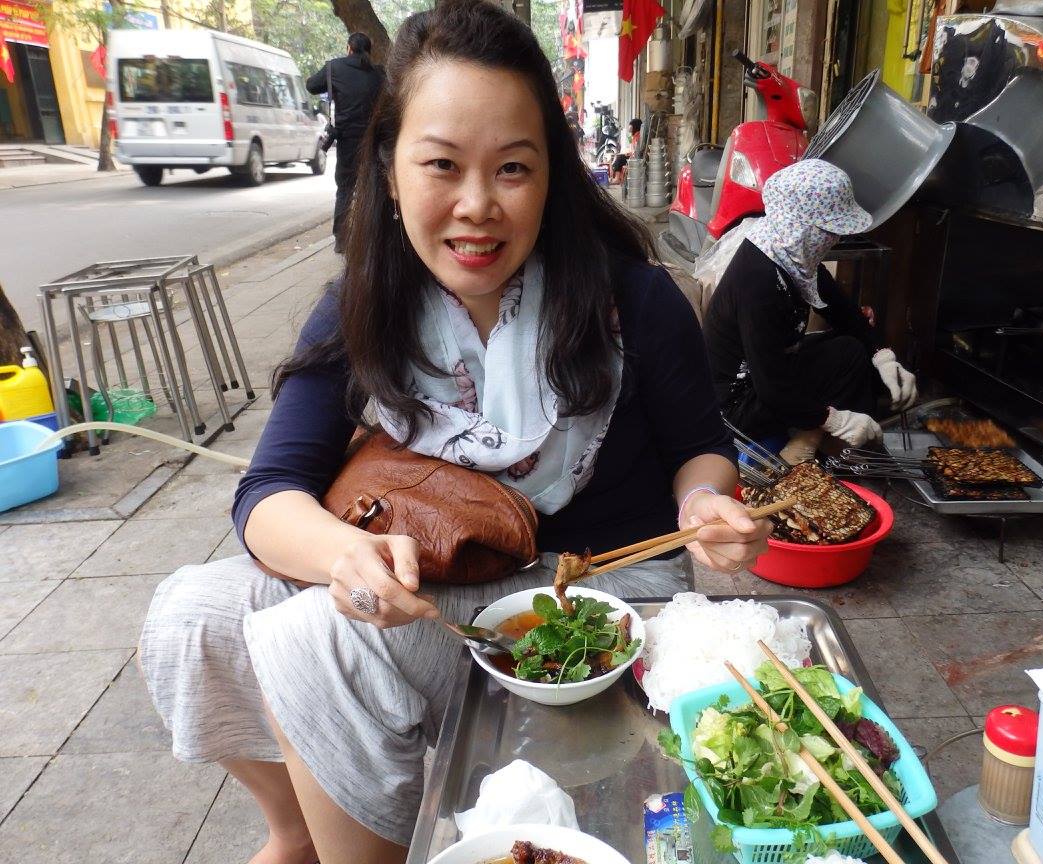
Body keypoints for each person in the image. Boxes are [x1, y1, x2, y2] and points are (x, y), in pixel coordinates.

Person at [138, 3, 770, 864]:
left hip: (603, 595)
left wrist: (703, 506)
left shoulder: (635, 299)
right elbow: (269, 492)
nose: (477, 207)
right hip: (439, 582)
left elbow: (701, 448)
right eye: (441, 164)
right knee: (193, 615)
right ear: (391, 172)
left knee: (319, 638)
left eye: (512, 168)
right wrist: (346, 557)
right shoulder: (363, 305)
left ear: (550, 176)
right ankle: (297, 833)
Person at [702, 159, 918, 465]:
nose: (836, 239)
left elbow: (844, 313)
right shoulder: (758, 279)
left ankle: (830, 444)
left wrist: (883, 355)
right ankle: (813, 447)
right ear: (802, 228)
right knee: (841, 368)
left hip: (767, 376)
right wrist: (834, 420)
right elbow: (772, 386)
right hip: (736, 405)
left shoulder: (789, 254)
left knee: (850, 351)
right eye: (829, 231)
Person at [307, 32, 384, 253]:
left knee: (346, 188)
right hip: (374, 141)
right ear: (369, 50)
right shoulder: (379, 73)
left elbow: (312, 86)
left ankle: (341, 239)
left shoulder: (335, 68)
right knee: (375, 188)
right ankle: (375, 236)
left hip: (348, 140)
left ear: (349, 48)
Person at [611, 117, 642, 184]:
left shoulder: (638, 136)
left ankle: (617, 179)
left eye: (630, 125)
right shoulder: (633, 136)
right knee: (618, 156)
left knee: (620, 158)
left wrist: (631, 154)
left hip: (635, 158)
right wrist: (628, 152)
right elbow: (632, 147)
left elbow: (636, 150)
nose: (629, 127)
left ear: (635, 126)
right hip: (632, 155)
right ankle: (616, 177)